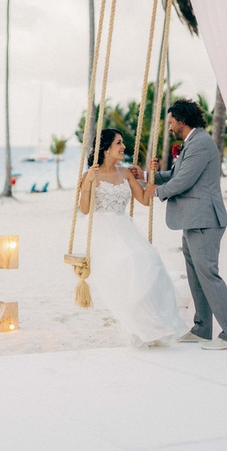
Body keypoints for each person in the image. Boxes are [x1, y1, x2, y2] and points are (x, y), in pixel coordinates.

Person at [138, 98, 227, 350]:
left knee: (208, 274)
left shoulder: (201, 143)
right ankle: (202, 328)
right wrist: (144, 176)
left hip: (205, 220)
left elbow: (183, 181)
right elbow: (174, 175)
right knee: (195, 276)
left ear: (182, 120)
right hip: (192, 219)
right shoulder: (192, 142)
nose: (170, 127)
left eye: (172, 122)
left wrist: (155, 192)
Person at [79, 128, 187, 348]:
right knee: (130, 262)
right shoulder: (91, 174)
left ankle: (151, 325)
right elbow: (83, 209)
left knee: (152, 262)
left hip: (125, 229)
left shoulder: (125, 173)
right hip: (103, 231)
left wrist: (151, 174)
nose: (123, 147)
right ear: (106, 148)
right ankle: (138, 327)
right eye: (119, 143)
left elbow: (145, 201)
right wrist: (88, 182)